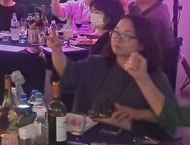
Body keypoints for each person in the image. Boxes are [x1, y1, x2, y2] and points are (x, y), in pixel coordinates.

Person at [45, 14, 175, 137]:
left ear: (142, 44)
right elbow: (68, 71)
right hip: (87, 135)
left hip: (130, 142)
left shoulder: (152, 75)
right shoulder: (97, 63)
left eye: (126, 36)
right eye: (115, 33)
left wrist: (137, 113)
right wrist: (56, 49)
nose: (117, 39)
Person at [99, 0, 177, 88]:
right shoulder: (150, 9)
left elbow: (142, 50)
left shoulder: (154, 19)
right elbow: (124, 4)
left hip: (147, 72)